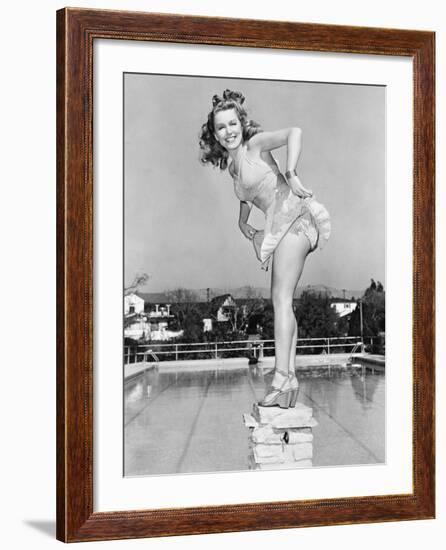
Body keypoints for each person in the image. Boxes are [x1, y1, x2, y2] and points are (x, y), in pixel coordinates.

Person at [199, 89, 330, 408]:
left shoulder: (254, 145)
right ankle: (289, 379)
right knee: (283, 301)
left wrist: (291, 173)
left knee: (280, 300)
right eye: (221, 127)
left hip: (296, 216)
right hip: (279, 225)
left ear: (241, 124)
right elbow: (247, 195)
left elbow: (293, 132)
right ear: (214, 135)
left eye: (232, 124)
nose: (229, 131)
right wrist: (243, 224)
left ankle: (281, 378)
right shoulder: (233, 167)